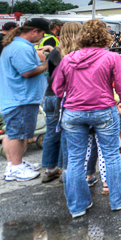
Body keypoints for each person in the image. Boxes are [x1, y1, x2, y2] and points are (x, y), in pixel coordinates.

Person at [53, 19, 121, 217]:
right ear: (105, 36)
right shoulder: (112, 58)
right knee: (111, 154)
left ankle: (77, 206)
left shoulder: (68, 58)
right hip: (103, 109)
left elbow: (57, 88)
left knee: (74, 159)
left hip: (73, 112)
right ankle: (118, 199)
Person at [0, 18, 50, 182]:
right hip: (21, 98)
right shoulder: (20, 48)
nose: (41, 38)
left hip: (18, 97)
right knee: (17, 135)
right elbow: (27, 72)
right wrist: (48, 63)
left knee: (15, 133)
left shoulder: (17, 45)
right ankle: (15, 167)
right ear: (34, 31)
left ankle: (14, 163)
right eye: (41, 34)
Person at [39, 21, 82, 183]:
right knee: (67, 134)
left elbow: (48, 72)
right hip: (65, 97)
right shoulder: (76, 53)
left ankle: (50, 169)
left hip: (49, 95)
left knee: (51, 133)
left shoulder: (55, 52)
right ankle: (66, 171)